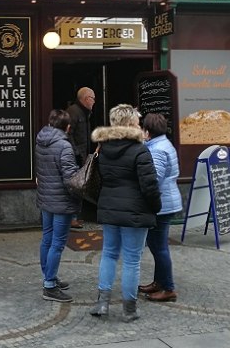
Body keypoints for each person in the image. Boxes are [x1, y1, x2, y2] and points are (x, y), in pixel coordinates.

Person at [88, 104, 161, 322]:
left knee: (109, 254)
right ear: (131, 123)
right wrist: (155, 207)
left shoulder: (104, 148)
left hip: (110, 209)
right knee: (131, 260)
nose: (140, 123)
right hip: (135, 212)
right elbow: (149, 186)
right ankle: (129, 309)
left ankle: (102, 303)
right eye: (137, 120)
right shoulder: (140, 150)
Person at [35, 109, 80, 302]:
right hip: (61, 201)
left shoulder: (41, 141)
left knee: (47, 238)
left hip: (46, 198)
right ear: (67, 127)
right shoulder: (64, 146)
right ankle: (50, 285)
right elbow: (70, 178)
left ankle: (48, 277)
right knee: (58, 243)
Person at [139, 113, 182, 302]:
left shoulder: (157, 150)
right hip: (167, 201)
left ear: (148, 131)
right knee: (157, 246)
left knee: (159, 247)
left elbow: (154, 180)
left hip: (162, 204)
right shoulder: (163, 144)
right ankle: (159, 282)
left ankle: (168, 287)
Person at [66, 86, 96, 229]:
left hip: (82, 155)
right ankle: (72, 217)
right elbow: (68, 134)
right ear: (85, 99)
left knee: (80, 187)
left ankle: (75, 216)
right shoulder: (74, 112)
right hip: (76, 157)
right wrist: (77, 152)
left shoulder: (84, 112)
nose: (94, 101)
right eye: (93, 98)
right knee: (75, 187)